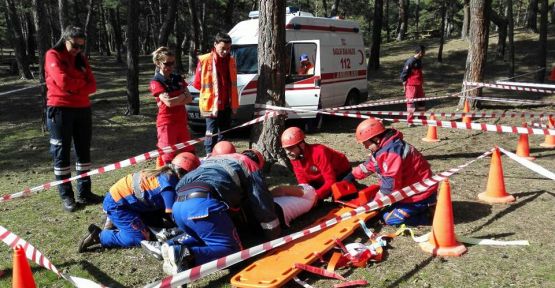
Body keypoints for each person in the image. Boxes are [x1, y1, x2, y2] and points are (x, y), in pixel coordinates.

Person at [158, 149, 279, 275]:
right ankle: (186, 255)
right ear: (258, 163)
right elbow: (262, 202)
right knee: (234, 253)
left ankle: (171, 245)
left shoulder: (214, 160)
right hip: (202, 204)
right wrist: (274, 236)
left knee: (205, 237)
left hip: (178, 205)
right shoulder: (250, 165)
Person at [77, 152, 201, 253]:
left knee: (157, 225)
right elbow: (174, 215)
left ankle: (117, 222)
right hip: (118, 205)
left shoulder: (167, 174)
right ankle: (100, 236)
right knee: (140, 238)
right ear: (186, 175)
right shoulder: (168, 188)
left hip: (132, 202)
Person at [45, 25, 102, 212]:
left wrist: (73, 86)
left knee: (83, 152)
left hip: (83, 109)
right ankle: (67, 196)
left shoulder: (81, 59)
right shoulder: (53, 54)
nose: (77, 49)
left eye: (81, 46)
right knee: (61, 154)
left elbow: (92, 86)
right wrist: (80, 84)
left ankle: (85, 192)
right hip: (60, 110)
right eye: (74, 45)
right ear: (65, 39)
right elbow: (62, 82)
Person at [343, 118, 437, 226]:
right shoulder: (385, 147)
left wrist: (373, 205)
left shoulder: (392, 153)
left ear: (376, 139)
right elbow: (370, 164)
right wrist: (352, 175)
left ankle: (428, 216)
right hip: (408, 191)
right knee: (384, 211)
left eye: (366, 143)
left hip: (420, 195)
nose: (365, 147)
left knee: (389, 219)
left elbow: (389, 187)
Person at [191, 33, 239, 155]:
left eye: (228, 49)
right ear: (215, 45)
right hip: (211, 104)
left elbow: (233, 82)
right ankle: (208, 154)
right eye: (222, 48)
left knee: (225, 131)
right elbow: (197, 83)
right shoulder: (205, 60)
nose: (225, 51)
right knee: (210, 131)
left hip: (227, 104)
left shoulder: (231, 61)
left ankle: (222, 154)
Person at [149, 47, 195, 167]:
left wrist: (178, 98)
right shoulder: (156, 81)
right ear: (158, 63)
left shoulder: (178, 78)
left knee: (188, 153)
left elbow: (190, 98)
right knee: (167, 157)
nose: (170, 66)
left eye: (172, 63)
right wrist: (182, 95)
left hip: (181, 121)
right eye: (166, 63)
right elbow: (169, 103)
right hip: (166, 124)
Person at [281, 126, 352, 200]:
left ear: (301, 145)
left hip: (341, 173)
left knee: (340, 196)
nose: (287, 152)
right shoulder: (295, 157)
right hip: (320, 177)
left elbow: (330, 180)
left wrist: (317, 196)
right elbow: (302, 181)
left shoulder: (319, 152)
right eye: (286, 149)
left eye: (290, 148)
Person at [400, 45, 426, 124]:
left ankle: (422, 119)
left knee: (421, 101)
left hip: (419, 85)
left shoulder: (420, 61)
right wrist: (404, 85)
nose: (425, 54)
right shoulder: (410, 61)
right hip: (411, 85)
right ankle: (410, 121)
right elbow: (404, 73)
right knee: (410, 102)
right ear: (420, 52)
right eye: (424, 52)